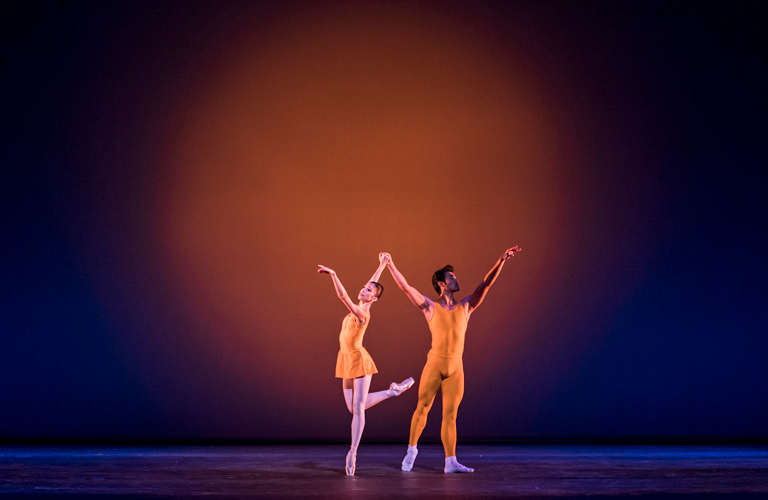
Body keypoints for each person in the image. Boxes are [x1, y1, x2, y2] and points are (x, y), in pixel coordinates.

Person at [383, 247, 522, 473]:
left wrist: (501, 260)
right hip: (435, 366)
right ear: (441, 283)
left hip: (456, 368)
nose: (456, 280)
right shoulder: (430, 306)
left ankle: (450, 461)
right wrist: (390, 264)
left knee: (451, 416)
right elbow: (405, 287)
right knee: (422, 409)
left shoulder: (466, 306)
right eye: (451, 277)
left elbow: (485, 284)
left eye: (455, 276)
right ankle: (411, 451)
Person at [317, 253, 414, 476]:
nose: (364, 290)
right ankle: (393, 392)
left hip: (359, 361)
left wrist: (334, 275)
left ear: (373, 299)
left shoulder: (361, 314)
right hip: (345, 359)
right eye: (364, 287)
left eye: (368, 291)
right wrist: (381, 265)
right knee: (352, 407)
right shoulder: (363, 303)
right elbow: (372, 285)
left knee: (358, 410)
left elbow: (343, 297)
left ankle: (353, 452)